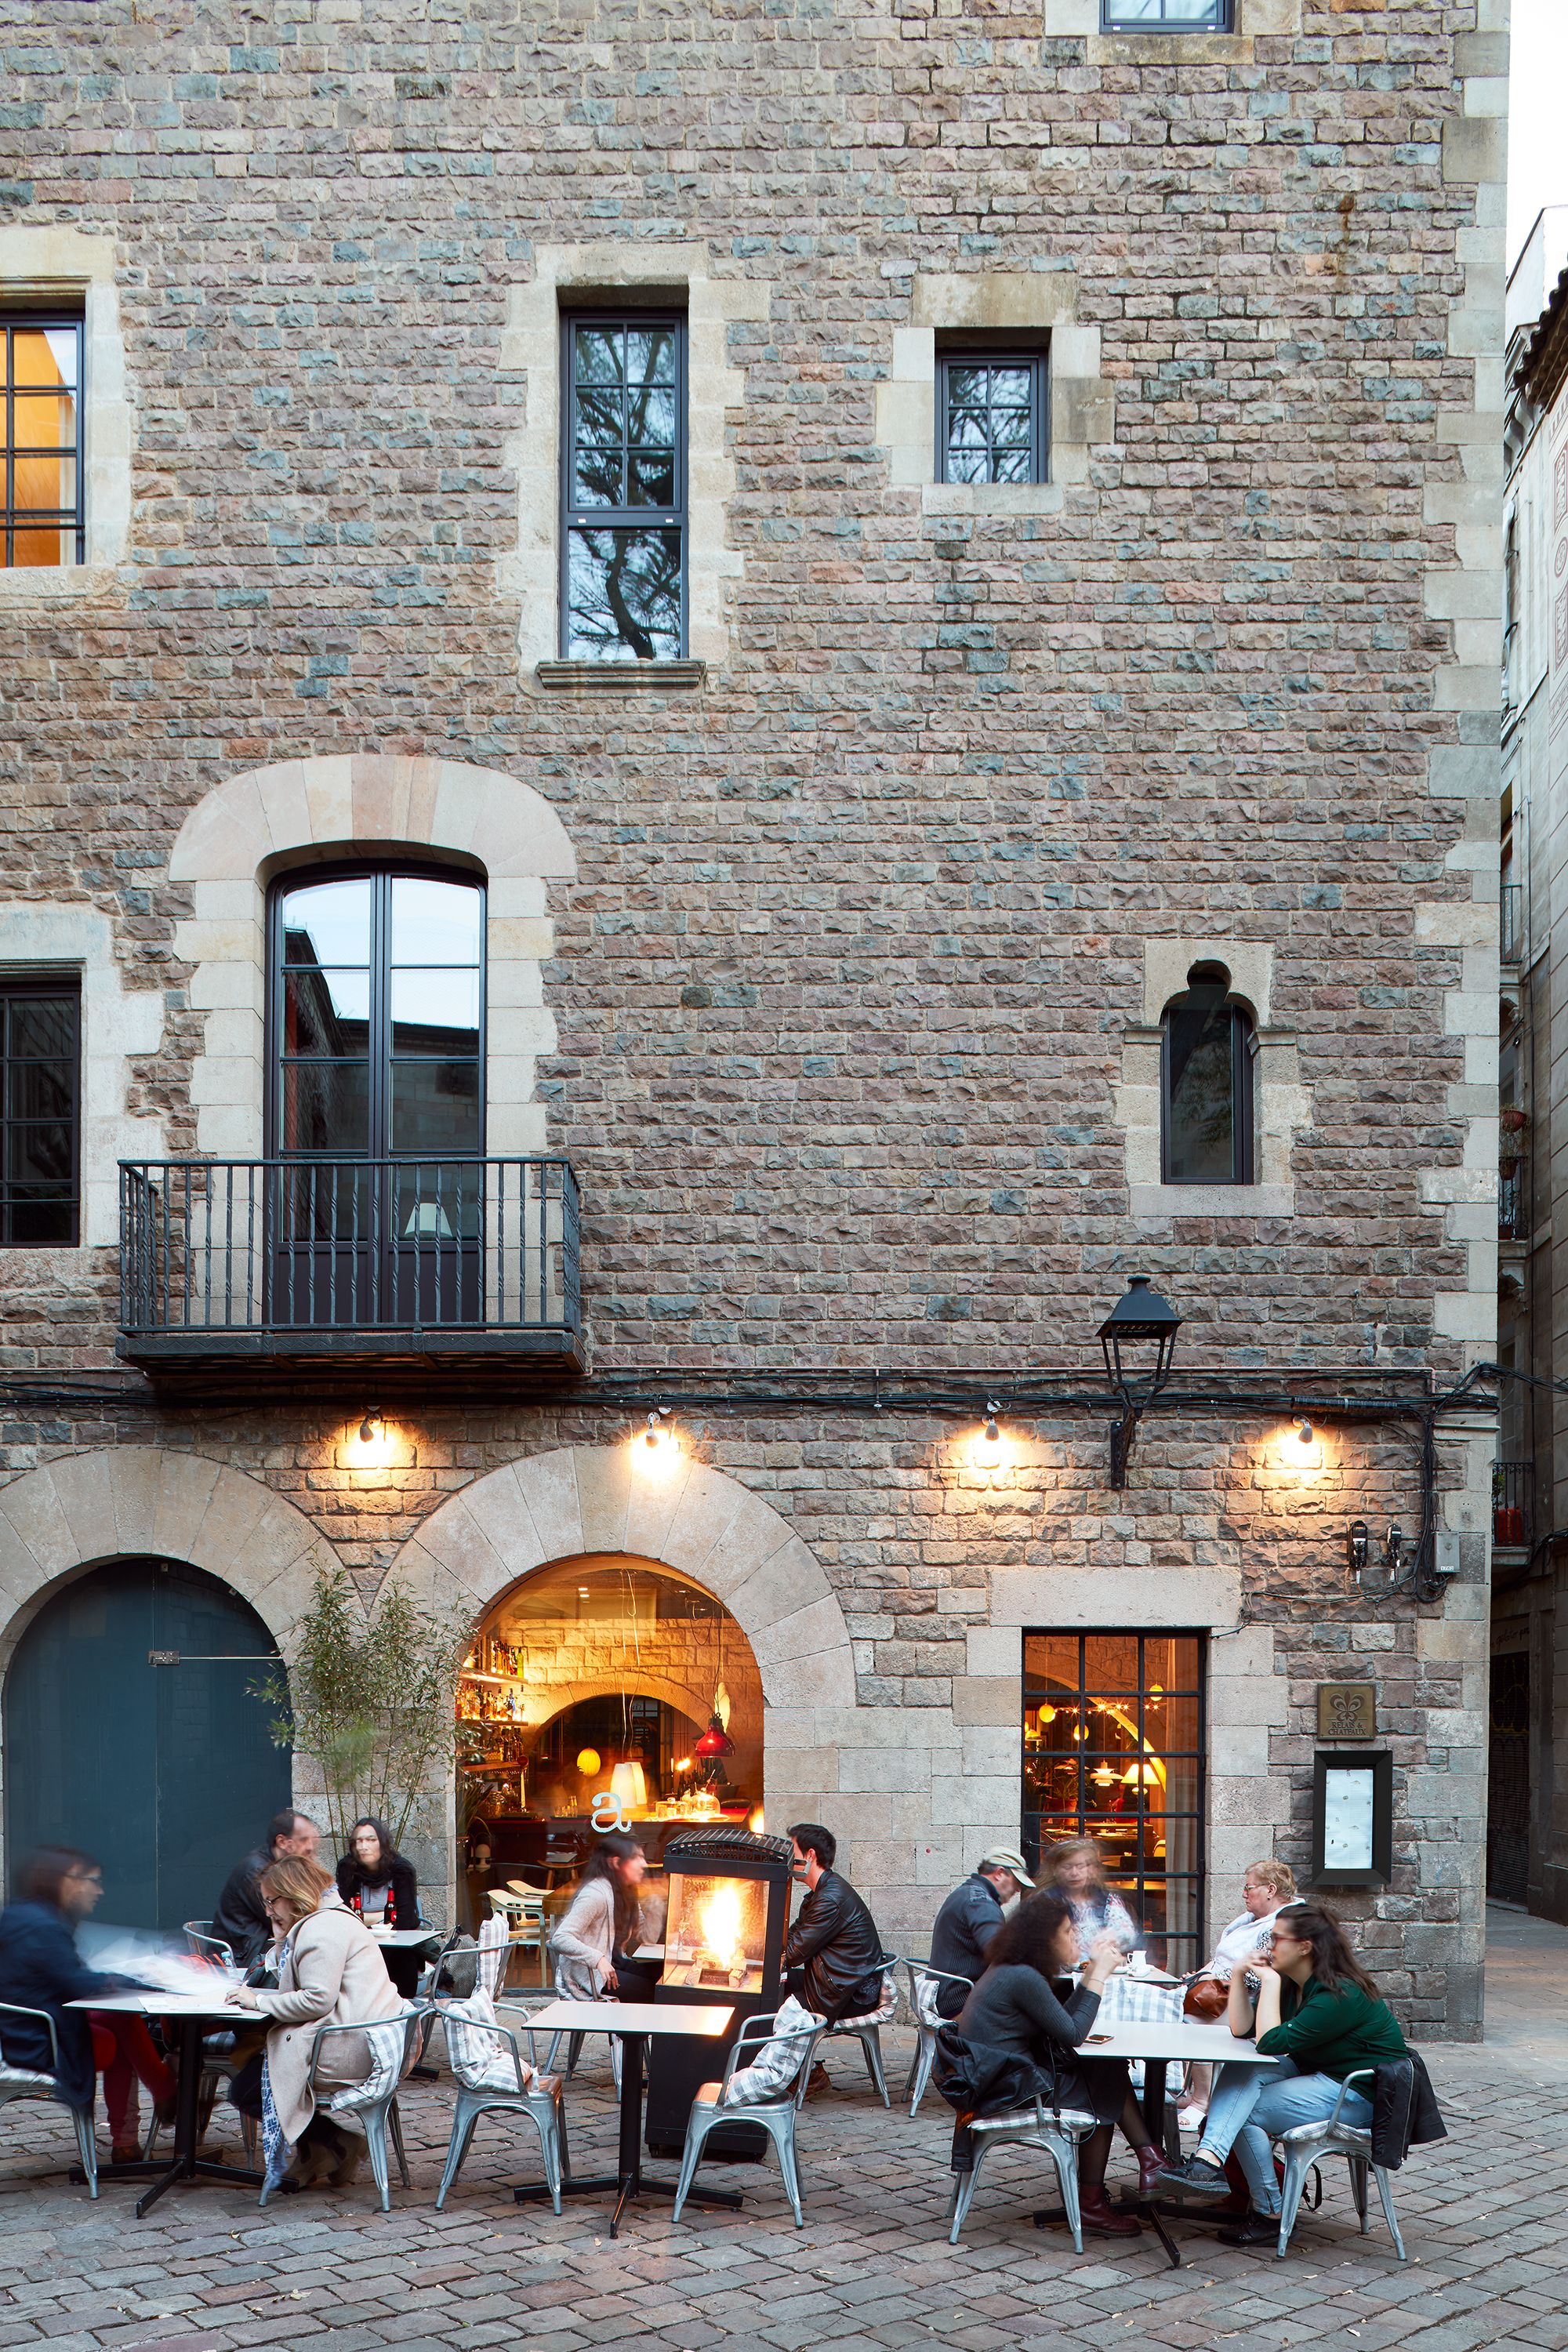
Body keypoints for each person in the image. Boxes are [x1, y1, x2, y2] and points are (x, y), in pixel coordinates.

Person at [1154, 1900, 1410, 2243]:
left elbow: (1269, 2042)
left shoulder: (1339, 1992)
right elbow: (1242, 2030)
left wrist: (1269, 1982)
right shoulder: (1294, 1981)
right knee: (1243, 2070)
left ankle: (1269, 2212)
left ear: (1305, 1946)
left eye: (1276, 1940)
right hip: (1318, 2071)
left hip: (1357, 2093)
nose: (1268, 1947)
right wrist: (1242, 1977)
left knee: (1243, 2114)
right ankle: (1208, 2162)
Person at [955, 1889, 1163, 2238]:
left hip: (995, 2078)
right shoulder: (1023, 1977)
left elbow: (1062, 2024)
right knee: (1104, 2080)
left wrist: (1091, 1973)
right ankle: (1100, 2198)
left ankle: (1147, 2162)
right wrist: (1097, 1975)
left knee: (1104, 2070)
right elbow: (1074, 2032)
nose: (1075, 1938)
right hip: (1004, 2090)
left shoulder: (1013, 1968)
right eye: (1068, 1932)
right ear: (1044, 1940)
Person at [226, 1855, 407, 2191]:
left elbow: (315, 1999)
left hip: (346, 2048)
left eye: (270, 1901)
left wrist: (259, 2001)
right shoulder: (332, 1919)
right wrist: (282, 1940)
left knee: (246, 2088)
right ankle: (318, 2152)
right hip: (365, 2038)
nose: (267, 1911)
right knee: (255, 2063)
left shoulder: (320, 1931)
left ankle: (336, 2143)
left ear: (293, 1895)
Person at [0, 1846, 177, 2165]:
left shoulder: (20, 1915)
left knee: (118, 2019)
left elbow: (61, 1978)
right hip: (43, 2044)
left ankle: (152, 2109)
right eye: (92, 1881)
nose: (99, 1890)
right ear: (64, 1881)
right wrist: (124, 1976)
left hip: (21, 2032)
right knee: (121, 2033)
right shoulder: (45, 1927)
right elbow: (78, 1983)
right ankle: (160, 2098)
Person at [1177, 1857, 1298, 2128]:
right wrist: (1200, 1976)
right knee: (1174, 2004)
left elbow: (1259, 1976)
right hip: (1224, 1989)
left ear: (1270, 1890)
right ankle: (1186, 2089)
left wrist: (1216, 1979)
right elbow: (1223, 1959)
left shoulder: (1278, 1926)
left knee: (1192, 2023)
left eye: (1249, 1887)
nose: (1244, 1893)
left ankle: (1202, 2100)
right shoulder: (1251, 1920)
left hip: (1252, 2002)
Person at [783, 1824, 886, 2094]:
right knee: (774, 1984)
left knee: (772, 1996)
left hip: (850, 1993)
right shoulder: (820, 1892)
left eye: (791, 1852)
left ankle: (806, 2073)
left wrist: (771, 1947)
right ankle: (801, 2069)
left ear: (811, 1856)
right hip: (836, 1978)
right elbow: (795, 1936)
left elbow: (793, 1953)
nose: (787, 1859)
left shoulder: (830, 1898)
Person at [927, 1846, 1035, 2018]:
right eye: (1017, 1882)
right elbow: (1002, 1955)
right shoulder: (981, 1902)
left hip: (947, 1996)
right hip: (959, 2003)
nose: (1018, 1890)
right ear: (1000, 1873)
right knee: (1033, 2017)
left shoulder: (966, 1892)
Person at [548, 1832, 657, 2001]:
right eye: (636, 1858)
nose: (643, 1864)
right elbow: (560, 1938)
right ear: (615, 1863)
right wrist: (598, 1960)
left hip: (617, 1964)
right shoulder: (595, 1894)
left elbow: (645, 1936)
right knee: (658, 1992)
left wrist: (655, 1909)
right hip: (592, 1976)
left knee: (665, 1978)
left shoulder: (626, 1892)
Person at [212, 1811, 324, 1971]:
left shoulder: (280, 1868)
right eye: (303, 1840)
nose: (310, 1847)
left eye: (312, 1840)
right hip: (243, 1957)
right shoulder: (258, 1873)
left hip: (261, 1950)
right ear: (282, 1842)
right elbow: (293, 1919)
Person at [336, 1817, 423, 1998]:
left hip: (398, 1950)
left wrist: (364, 1917)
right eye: (358, 1841)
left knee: (403, 1960)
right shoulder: (348, 1868)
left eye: (370, 1840)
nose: (363, 1846)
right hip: (360, 1948)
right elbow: (342, 1917)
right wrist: (387, 1916)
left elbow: (406, 1921)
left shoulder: (401, 1870)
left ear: (382, 1844)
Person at [1040, 1837, 1140, 1962]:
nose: (1074, 1873)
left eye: (1080, 1866)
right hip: (1058, 1977)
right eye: (1067, 1867)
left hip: (1099, 1972)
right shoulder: (1045, 1900)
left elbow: (1128, 1933)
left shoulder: (1107, 1899)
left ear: (1091, 1869)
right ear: (1055, 1870)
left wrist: (1112, 1936)